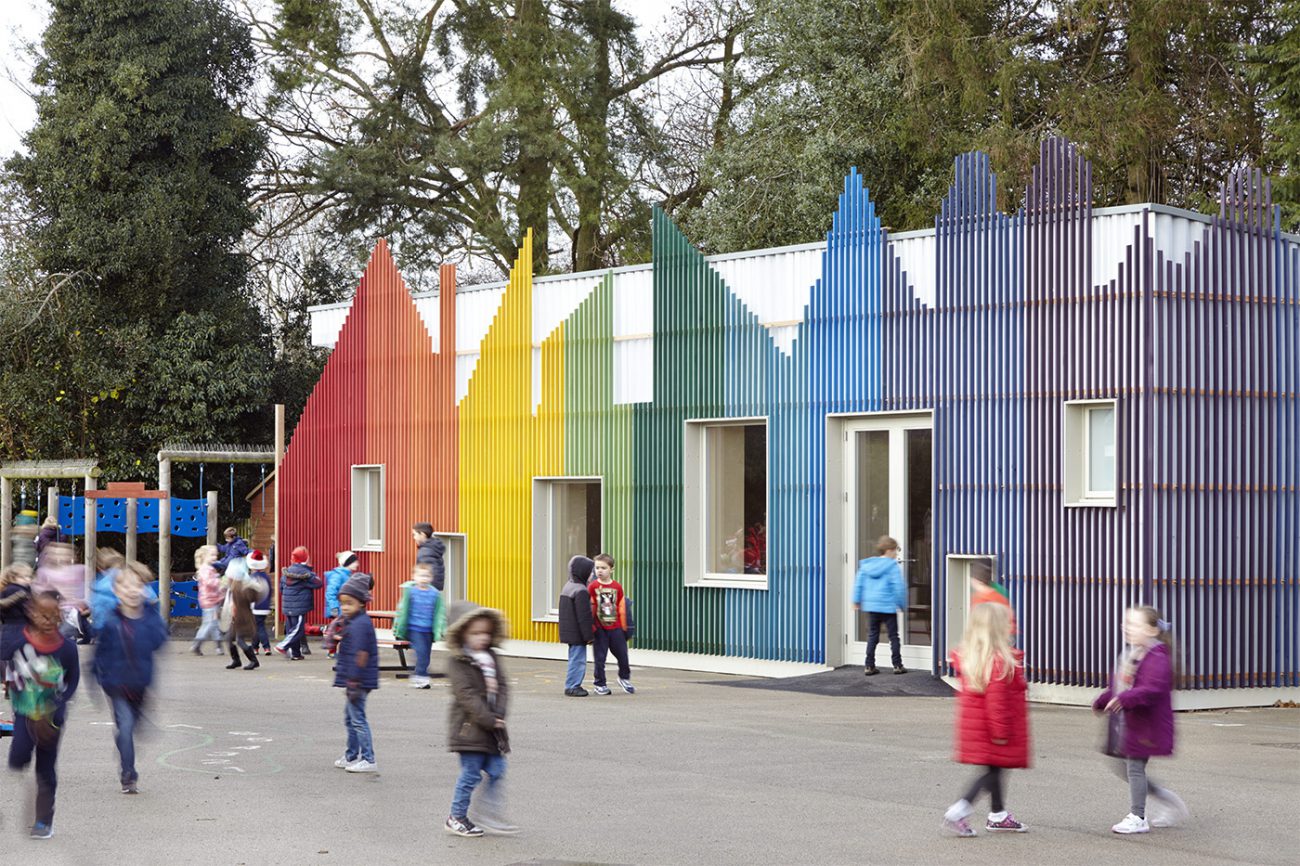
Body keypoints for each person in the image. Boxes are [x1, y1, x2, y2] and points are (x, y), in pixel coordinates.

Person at [1093, 606, 1189, 834]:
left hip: (1147, 726)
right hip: (1130, 724)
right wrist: (1103, 700)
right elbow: (1119, 686)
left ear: (1151, 630)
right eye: (1126, 623)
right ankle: (1166, 799)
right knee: (1122, 766)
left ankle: (1138, 816)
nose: (1127, 628)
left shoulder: (1157, 657)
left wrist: (1124, 699)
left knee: (1135, 768)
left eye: (1134, 624)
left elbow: (1150, 689)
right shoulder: (1131, 655)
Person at [942, 602, 1031, 837]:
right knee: (993, 771)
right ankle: (960, 809)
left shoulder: (974, 657)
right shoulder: (998, 662)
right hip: (993, 729)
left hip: (979, 728)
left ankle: (998, 814)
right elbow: (997, 703)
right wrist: (1001, 732)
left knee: (996, 768)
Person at [5, 590, 80, 838]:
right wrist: (13, 686)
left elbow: (72, 681)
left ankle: (44, 822)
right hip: (25, 711)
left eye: (53, 615)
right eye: (42, 614)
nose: (48, 620)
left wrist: (57, 703)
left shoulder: (67, 649)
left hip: (51, 716)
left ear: (60, 616)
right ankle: (19, 751)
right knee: (17, 758)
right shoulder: (19, 644)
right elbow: (7, 670)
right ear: (31, 613)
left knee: (45, 767)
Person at [92, 561, 168, 794]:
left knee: (132, 727)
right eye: (126, 586)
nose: (133, 591)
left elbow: (159, 641)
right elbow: (97, 655)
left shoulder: (150, 618)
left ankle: (125, 739)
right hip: (116, 685)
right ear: (117, 591)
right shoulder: (111, 621)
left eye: (138, 586)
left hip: (140, 684)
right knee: (125, 727)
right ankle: (128, 774)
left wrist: (152, 613)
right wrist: (96, 680)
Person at [444, 600, 516, 837]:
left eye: (486, 632)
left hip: (492, 729)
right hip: (469, 730)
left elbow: (503, 686)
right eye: (475, 633)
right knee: (471, 774)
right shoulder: (457, 661)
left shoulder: (491, 656)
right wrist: (488, 719)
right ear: (461, 633)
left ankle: (489, 814)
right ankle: (456, 816)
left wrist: (499, 714)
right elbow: (466, 695)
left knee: (497, 770)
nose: (482, 638)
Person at [333, 575, 378, 773]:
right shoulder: (353, 621)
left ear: (361, 602)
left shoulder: (360, 624)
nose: (345, 607)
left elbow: (360, 655)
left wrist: (353, 680)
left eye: (349, 603)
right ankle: (351, 755)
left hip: (358, 680)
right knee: (350, 718)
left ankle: (368, 758)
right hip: (355, 679)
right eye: (342, 603)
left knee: (357, 719)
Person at [852, 535, 908, 676]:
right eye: (895, 550)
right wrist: (902, 604)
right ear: (889, 550)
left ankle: (869, 665)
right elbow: (898, 587)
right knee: (893, 636)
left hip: (872, 607)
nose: (896, 554)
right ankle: (897, 665)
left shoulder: (867, 565)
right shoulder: (892, 566)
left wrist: (856, 600)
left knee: (872, 636)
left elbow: (858, 584)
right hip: (888, 607)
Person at [588, 553, 633, 696]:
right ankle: (600, 684)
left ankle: (624, 678)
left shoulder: (617, 586)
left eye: (603, 568)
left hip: (616, 627)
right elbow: (589, 607)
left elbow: (621, 606)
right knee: (600, 658)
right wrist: (591, 627)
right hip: (600, 628)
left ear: (611, 569)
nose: (600, 571)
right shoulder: (592, 586)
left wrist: (624, 627)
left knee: (622, 655)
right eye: (597, 568)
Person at [394, 562, 442, 689]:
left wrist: (439, 629)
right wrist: (398, 627)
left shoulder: (435, 594)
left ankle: (419, 675)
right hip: (414, 628)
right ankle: (421, 677)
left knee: (426, 655)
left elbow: (439, 613)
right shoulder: (411, 592)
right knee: (421, 652)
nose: (424, 579)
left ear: (431, 578)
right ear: (414, 577)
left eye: (427, 576)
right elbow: (402, 610)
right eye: (421, 575)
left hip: (428, 630)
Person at [33, 543, 91, 643]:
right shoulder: (45, 572)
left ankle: (81, 634)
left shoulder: (79, 570)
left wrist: (85, 603)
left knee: (62, 636)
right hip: (56, 611)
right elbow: (39, 590)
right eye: (59, 554)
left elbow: (86, 588)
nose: (63, 557)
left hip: (73, 612)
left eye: (66, 554)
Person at [557, 555, 594, 696]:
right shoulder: (581, 591)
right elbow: (584, 616)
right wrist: (589, 636)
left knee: (574, 658)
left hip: (569, 631)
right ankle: (572, 686)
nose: (592, 575)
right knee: (578, 660)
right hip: (577, 633)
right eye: (590, 572)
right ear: (583, 572)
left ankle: (572, 685)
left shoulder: (568, 586)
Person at [276, 546, 320, 660]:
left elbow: (281, 589)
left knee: (292, 629)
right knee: (298, 630)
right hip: (299, 607)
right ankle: (283, 645)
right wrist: (309, 569)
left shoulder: (286, 572)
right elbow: (318, 583)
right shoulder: (306, 574)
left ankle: (296, 654)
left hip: (287, 606)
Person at [222, 557, 263, 671]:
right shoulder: (235, 587)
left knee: (239, 640)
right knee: (229, 638)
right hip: (236, 619)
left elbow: (245, 600)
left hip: (242, 619)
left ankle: (253, 661)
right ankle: (236, 660)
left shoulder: (241, 588)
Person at [191, 545, 225, 656]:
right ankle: (197, 644)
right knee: (209, 623)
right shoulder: (206, 569)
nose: (215, 557)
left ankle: (218, 646)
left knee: (214, 623)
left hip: (212, 600)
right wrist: (220, 582)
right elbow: (209, 582)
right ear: (204, 556)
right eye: (212, 555)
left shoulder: (209, 568)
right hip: (209, 600)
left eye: (216, 555)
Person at [324, 551, 359, 657]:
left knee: (341, 630)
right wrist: (334, 608)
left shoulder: (346, 575)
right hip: (340, 608)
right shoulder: (339, 576)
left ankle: (334, 651)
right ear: (348, 563)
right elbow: (330, 592)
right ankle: (333, 651)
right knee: (342, 630)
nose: (357, 564)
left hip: (345, 608)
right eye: (354, 561)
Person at [0, 563, 36, 664]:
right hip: (19, 626)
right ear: (13, 578)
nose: (28, 579)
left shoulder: (8, 590)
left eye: (29, 577)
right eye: (24, 577)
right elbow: (28, 608)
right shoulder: (16, 589)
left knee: (9, 654)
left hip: (9, 626)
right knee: (20, 652)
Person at [247, 549, 274, 655]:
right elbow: (270, 591)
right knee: (259, 626)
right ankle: (256, 647)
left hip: (255, 606)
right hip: (265, 605)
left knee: (258, 627)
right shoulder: (266, 577)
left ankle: (265, 646)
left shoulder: (252, 578)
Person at [413, 522, 446, 592]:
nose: (414, 538)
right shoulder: (433, 547)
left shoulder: (426, 551)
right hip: (434, 589)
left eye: (415, 534)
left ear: (422, 534)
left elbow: (426, 572)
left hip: (427, 589)